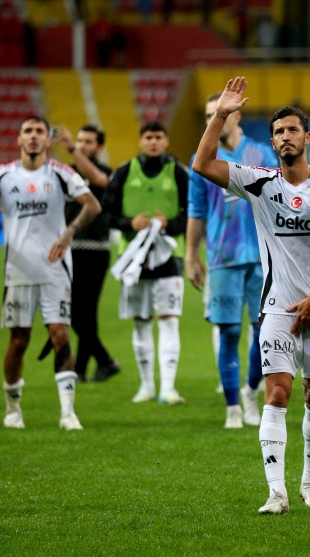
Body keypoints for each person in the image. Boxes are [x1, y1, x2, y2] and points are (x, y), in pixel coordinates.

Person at [192, 77, 310, 514]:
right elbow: (202, 164)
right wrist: (221, 114)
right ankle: (276, 493)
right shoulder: (259, 182)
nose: (286, 137)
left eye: (292, 131)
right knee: (278, 394)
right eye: (278, 132)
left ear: (306, 137)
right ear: (272, 142)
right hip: (277, 309)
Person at [1, 115, 101, 430]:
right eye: (27, 131)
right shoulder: (4, 175)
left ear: (47, 140)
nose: (33, 137)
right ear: (18, 139)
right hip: (17, 271)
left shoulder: (60, 173)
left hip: (55, 267)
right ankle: (13, 408)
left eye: (39, 132)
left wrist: (69, 232)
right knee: (19, 340)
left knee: (60, 334)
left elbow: (92, 204)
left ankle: (68, 411)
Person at [186, 93, 278, 429]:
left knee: (261, 333)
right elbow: (196, 211)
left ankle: (250, 393)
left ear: (236, 117)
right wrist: (190, 255)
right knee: (228, 334)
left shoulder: (262, 154)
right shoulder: (200, 159)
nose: (216, 120)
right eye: (210, 115)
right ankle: (231, 409)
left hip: (261, 258)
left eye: (221, 114)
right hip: (222, 259)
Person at [103, 121, 188, 405]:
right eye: (148, 137)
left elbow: (193, 212)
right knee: (140, 322)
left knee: (168, 320)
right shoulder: (125, 171)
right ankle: (146, 386)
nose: (153, 142)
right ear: (141, 141)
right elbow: (106, 213)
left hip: (169, 257)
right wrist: (129, 222)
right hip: (133, 259)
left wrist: (172, 224)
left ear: (166, 141)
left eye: (158, 137)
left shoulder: (177, 171)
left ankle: (168, 387)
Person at [41, 124, 120, 384]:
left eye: (88, 142)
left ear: (100, 147)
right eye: (80, 140)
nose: (83, 145)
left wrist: (72, 150)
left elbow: (99, 181)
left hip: (95, 249)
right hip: (69, 248)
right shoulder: (68, 173)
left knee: (84, 312)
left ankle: (98, 362)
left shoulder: (106, 172)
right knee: (79, 312)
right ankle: (92, 366)